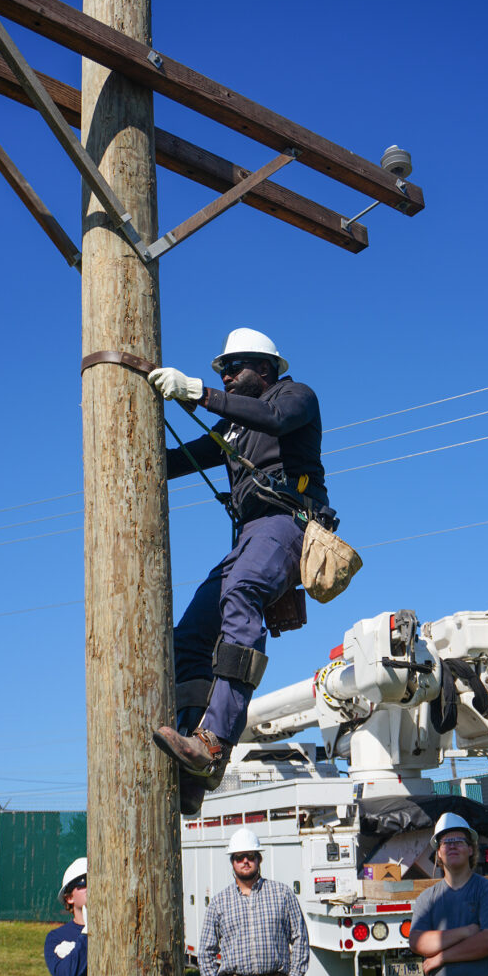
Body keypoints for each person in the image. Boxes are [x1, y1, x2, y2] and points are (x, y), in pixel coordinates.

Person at [149, 328, 331, 815]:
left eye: (235, 367)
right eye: (221, 371)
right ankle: (193, 753)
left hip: (287, 524)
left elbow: (274, 418)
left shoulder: (294, 396)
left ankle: (214, 739)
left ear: (266, 367)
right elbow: (171, 462)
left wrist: (199, 393)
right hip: (249, 537)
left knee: (243, 592)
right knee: (189, 636)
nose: (227, 375)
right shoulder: (229, 430)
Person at [406, 814, 488, 976]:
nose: (452, 845)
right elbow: (417, 942)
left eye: (459, 841)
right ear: (438, 853)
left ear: (471, 849)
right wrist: (468, 931)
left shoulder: (486, 890)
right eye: (446, 842)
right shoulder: (427, 898)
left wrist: (442, 957)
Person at [198, 828, 309, 976]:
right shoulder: (219, 902)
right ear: (232, 862)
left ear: (259, 859)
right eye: (239, 857)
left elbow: (300, 938)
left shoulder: (282, 894)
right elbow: (205, 952)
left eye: (250, 856)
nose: (245, 861)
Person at [44, 857, 88, 976]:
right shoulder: (56, 938)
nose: (91, 886)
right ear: (69, 898)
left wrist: (74, 953)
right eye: (83, 881)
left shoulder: (114, 930)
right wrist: (86, 935)